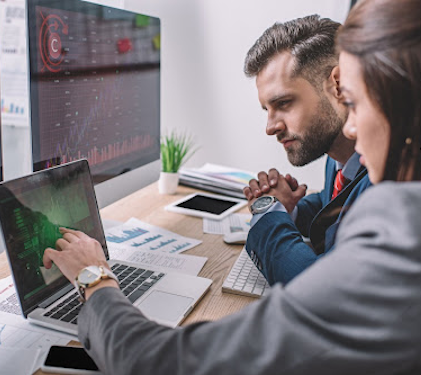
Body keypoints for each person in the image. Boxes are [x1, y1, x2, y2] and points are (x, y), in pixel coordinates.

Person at [43, 0, 421, 373]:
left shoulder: (401, 229)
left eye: (353, 101)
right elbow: (336, 205)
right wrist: (288, 207)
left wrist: (93, 276)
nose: (351, 127)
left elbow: (157, 362)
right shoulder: (356, 168)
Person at [242, 15, 372, 285]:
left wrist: (268, 215)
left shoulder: (385, 176)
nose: (270, 127)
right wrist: (292, 209)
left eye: (284, 103)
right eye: (267, 110)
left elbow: (315, 285)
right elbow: (334, 204)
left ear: (338, 84)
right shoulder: (339, 156)